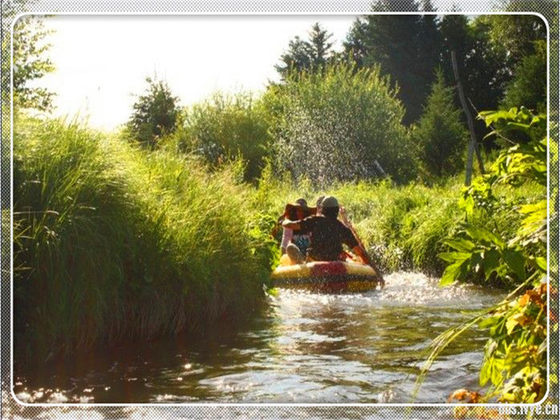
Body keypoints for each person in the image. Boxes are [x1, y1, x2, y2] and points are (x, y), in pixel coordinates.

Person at [283, 195, 371, 265]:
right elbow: (360, 252)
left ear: (323, 210)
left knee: (298, 251)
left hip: (314, 260)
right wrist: (372, 270)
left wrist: (285, 221)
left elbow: (291, 225)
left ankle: (303, 265)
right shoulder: (342, 228)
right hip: (335, 262)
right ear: (336, 211)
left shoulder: (314, 220)